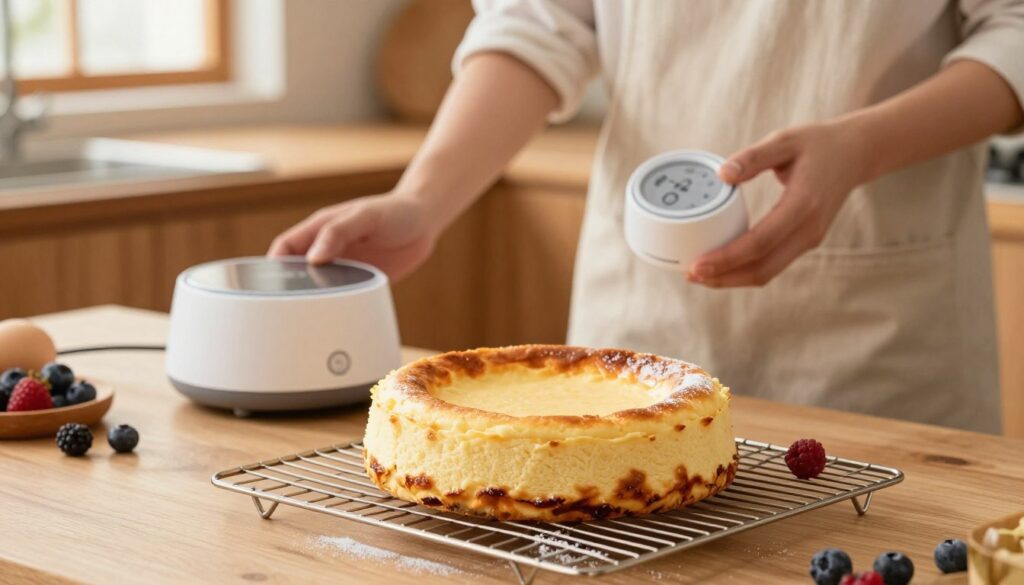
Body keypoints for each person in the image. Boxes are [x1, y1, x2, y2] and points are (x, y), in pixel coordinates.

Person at [270, 1, 1024, 433]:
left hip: (880, 342)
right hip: (638, 315)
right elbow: (539, 21)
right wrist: (422, 200)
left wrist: (859, 147)